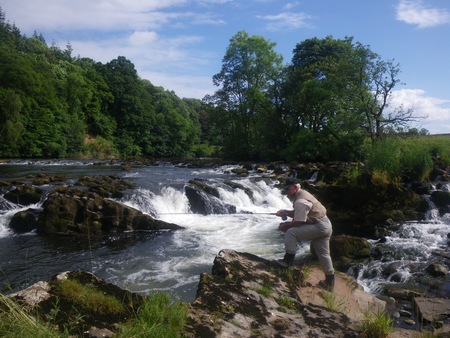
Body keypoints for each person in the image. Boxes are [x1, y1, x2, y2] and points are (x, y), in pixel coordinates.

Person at [274, 177, 335, 292]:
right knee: (324, 254)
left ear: (296, 187)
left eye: (288, 189)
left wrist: (285, 226)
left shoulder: (300, 201)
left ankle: (287, 262)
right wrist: (286, 212)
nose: (286, 192)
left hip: (318, 226)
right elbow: (300, 213)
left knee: (291, 232)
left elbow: (298, 222)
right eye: (285, 189)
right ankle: (330, 282)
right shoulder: (302, 194)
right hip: (325, 224)